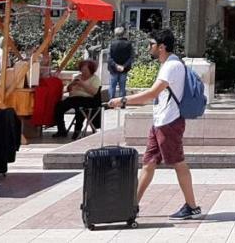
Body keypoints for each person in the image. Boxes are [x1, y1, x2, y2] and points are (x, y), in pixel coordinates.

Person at [108, 29, 201, 220]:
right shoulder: (168, 63)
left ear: (162, 47)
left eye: (151, 44)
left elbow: (152, 94)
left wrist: (123, 100)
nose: (148, 47)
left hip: (169, 122)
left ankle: (192, 206)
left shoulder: (171, 66)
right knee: (148, 163)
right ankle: (132, 206)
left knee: (178, 162)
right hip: (160, 121)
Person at [53, 60, 102, 139]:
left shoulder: (95, 79)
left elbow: (94, 92)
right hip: (74, 98)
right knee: (59, 106)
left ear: (91, 70)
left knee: (80, 108)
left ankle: (77, 130)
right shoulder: (78, 77)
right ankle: (61, 130)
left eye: (85, 70)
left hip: (88, 99)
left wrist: (82, 84)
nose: (83, 72)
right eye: (82, 70)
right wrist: (72, 84)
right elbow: (68, 89)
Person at [107, 26, 135, 103]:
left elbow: (109, 58)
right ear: (124, 34)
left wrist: (116, 65)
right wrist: (124, 66)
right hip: (124, 69)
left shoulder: (112, 44)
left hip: (113, 69)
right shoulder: (129, 44)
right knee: (122, 87)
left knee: (112, 86)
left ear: (115, 34)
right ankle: (122, 103)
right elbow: (131, 57)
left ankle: (111, 103)